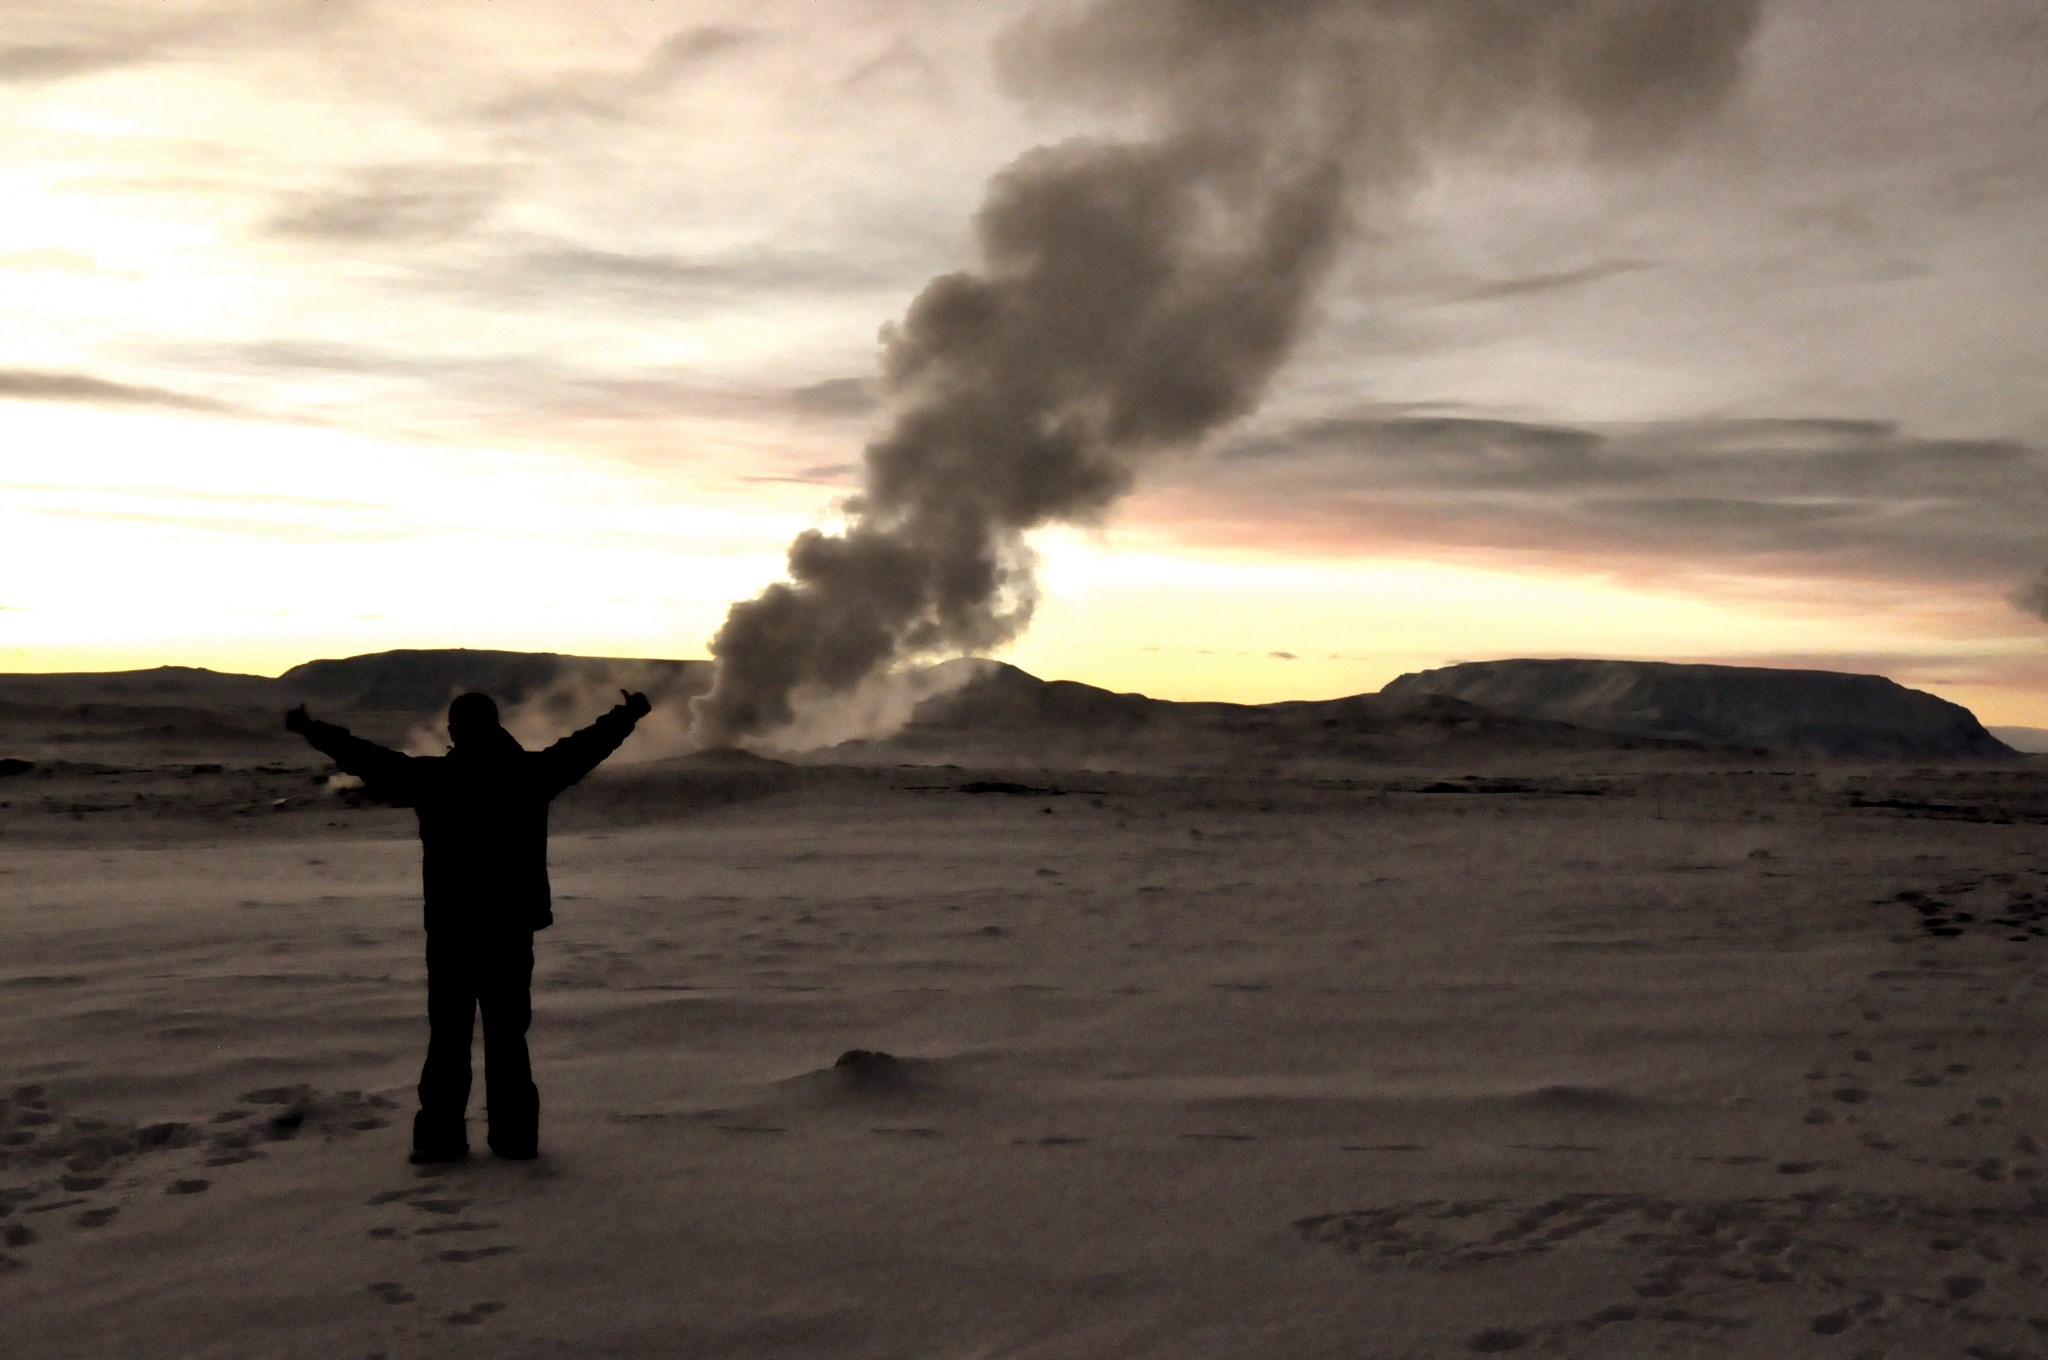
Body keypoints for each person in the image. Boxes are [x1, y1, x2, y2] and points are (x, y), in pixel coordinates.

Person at [285, 688, 652, 1163]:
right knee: (507, 1038)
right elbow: (585, 747)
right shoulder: (529, 774)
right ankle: (515, 1138)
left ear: (456, 731)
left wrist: (313, 731)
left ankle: (440, 1140)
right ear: (497, 727)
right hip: (508, 930)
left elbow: (368, 759)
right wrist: (627, 715)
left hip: (452, 931)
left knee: (448, 1039)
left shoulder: (436, 778)